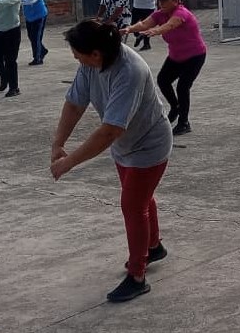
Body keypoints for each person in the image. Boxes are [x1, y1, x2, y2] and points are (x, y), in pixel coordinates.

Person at [50, 20, 172, 303]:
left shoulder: (130, 71)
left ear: (96, 53)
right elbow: (75, 104)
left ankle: (137, 276)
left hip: (148, 145)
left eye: (78, 56)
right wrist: (58, 143)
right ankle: (153, 246)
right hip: (124, 146)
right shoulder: (91, 64)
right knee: (140, 198)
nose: (76, 60)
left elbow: (109, 131)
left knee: (133, 206)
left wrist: (69, 163)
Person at [121, 0, 206, 135]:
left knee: (182, 87)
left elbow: (170, 25)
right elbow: (144, 24)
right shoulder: (160, 14)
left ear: (176, 1)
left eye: (165, 0)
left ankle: (184, 123)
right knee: (163, 80)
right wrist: (129, 29)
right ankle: (175, 107)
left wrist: (155, 31)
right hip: (176, 56)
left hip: (194, 56)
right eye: (160, 0)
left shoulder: (181, 13)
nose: (161, 3)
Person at [20, 0, 50, 66]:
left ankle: (37, 58)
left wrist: (17, 1)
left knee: (36, 37)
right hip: (29, 17)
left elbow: (32, 0)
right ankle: (42, 51)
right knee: (31, 36)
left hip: (39, 16)